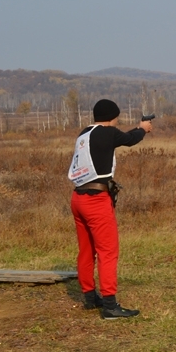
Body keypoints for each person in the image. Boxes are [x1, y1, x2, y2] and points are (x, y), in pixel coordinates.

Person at [67, 99, 153, 319]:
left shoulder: (84, 133)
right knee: (108, 252)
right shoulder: (108, 132)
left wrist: (138, 128)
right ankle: (109, 305)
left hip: (78, 198)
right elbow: (130, 139)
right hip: (96, 200)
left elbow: (118, 138)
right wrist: (143, 129)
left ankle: (89, 297)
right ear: (113, 116)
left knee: (87, 250)